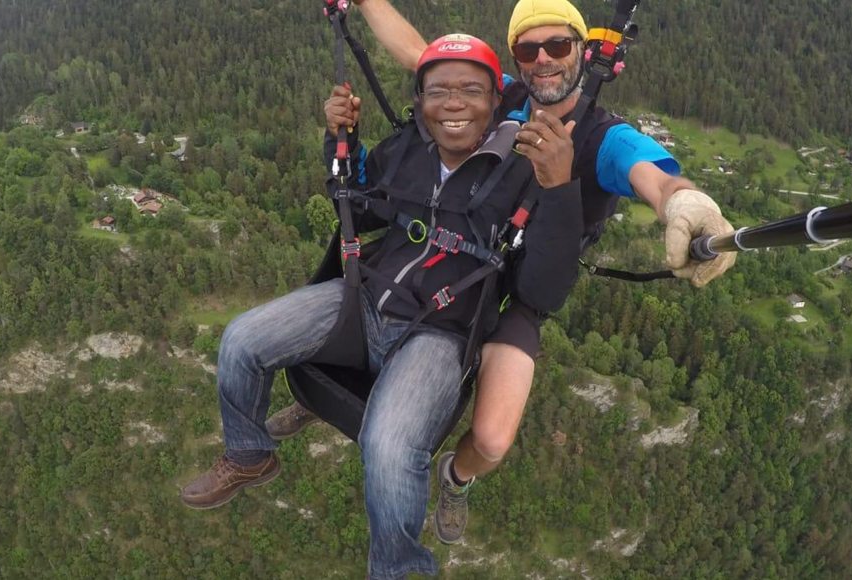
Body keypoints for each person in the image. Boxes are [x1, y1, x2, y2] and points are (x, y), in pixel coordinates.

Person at [266, 0, 737, 546]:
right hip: (460, 251)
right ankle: (316, 399)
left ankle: (456, 477)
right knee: (371, 299)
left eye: (558, 46)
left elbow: (656, 180)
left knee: (491, 437)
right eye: (528, 49)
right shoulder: (506, 95)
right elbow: (418, 55)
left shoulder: (603, 138)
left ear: (582, 51)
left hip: (519, 287)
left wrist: (687, 208)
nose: (544, 61)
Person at [182, 34, 586, 578]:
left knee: (390, 448)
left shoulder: (524, 170)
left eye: (471, 90)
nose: (454, 103)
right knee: (241, 340)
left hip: (440, 333)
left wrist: (559, 190)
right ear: (420, 101)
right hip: (368, 298)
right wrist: (340, 139)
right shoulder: (408, 149)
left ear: (496, 102)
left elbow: (543, 292)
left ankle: (400, 569)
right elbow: (358, 205)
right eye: (438, 90)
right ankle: (251, 455)